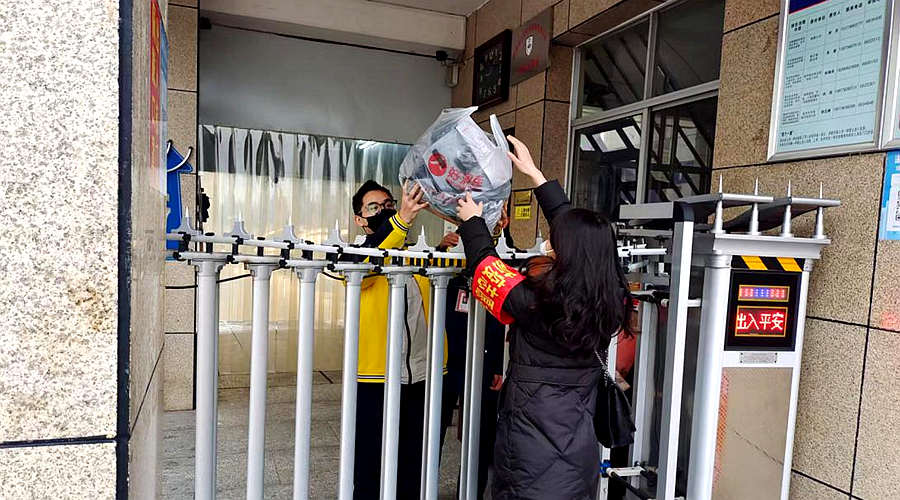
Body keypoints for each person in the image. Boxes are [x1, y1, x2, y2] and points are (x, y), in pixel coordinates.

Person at [455, 136, 634, 500]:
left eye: (555, 240)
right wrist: (535, 176)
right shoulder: (610, 296)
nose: (550, 242)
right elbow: (581, 235)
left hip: (529, 448)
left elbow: (486, 266)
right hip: (578, 446)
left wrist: (473, 222)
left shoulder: (539, 301)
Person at [350, 179, 449, 500]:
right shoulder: (352, 255)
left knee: (414, 463)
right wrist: (401, 220)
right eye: (374, 207)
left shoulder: (418, 255)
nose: (384, 210)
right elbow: (365, 265)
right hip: (375, 379)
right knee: (370, 465)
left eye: (389, 204)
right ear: (359, 219)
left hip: (423, 377)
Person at [436, 212, 510, 500]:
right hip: (442, 359)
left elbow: (501, 313)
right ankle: (422, 486)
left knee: (480, 435)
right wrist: (440, 251)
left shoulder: (496, 258)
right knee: (432, 430)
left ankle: (470, 493)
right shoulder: (449, 249)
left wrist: (498, 365)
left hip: (484, 360)